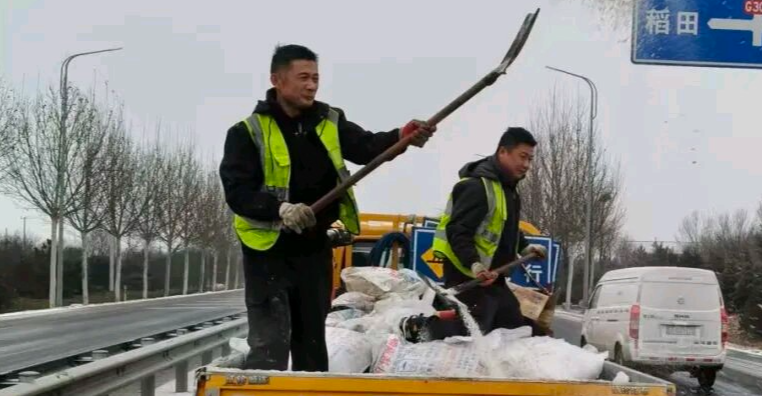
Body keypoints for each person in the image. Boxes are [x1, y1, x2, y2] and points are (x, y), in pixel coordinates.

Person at [220, 44, 434, 371]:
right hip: (268, 252)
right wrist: (281, 209)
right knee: (270, 345)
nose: (311, 86)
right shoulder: (246, 133)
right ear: (277, 80)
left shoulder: (329, 121)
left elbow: (367, 147)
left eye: (316, 78)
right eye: (303, 78)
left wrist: (402, 137)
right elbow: (238, 192)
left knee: (312, 343)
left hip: (314, 248)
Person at [402, 127, 547, 342]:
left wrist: (525, 247)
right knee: (472, 328)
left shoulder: (508, 190)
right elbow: (458, 231)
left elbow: (508, 229)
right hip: (465, 273)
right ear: (503, 152)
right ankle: (418, 328)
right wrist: (475, 265)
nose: (526, 164)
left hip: (493, 276)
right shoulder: (476, 187)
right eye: (522, 156)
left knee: (513, 324)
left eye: (530, 159)